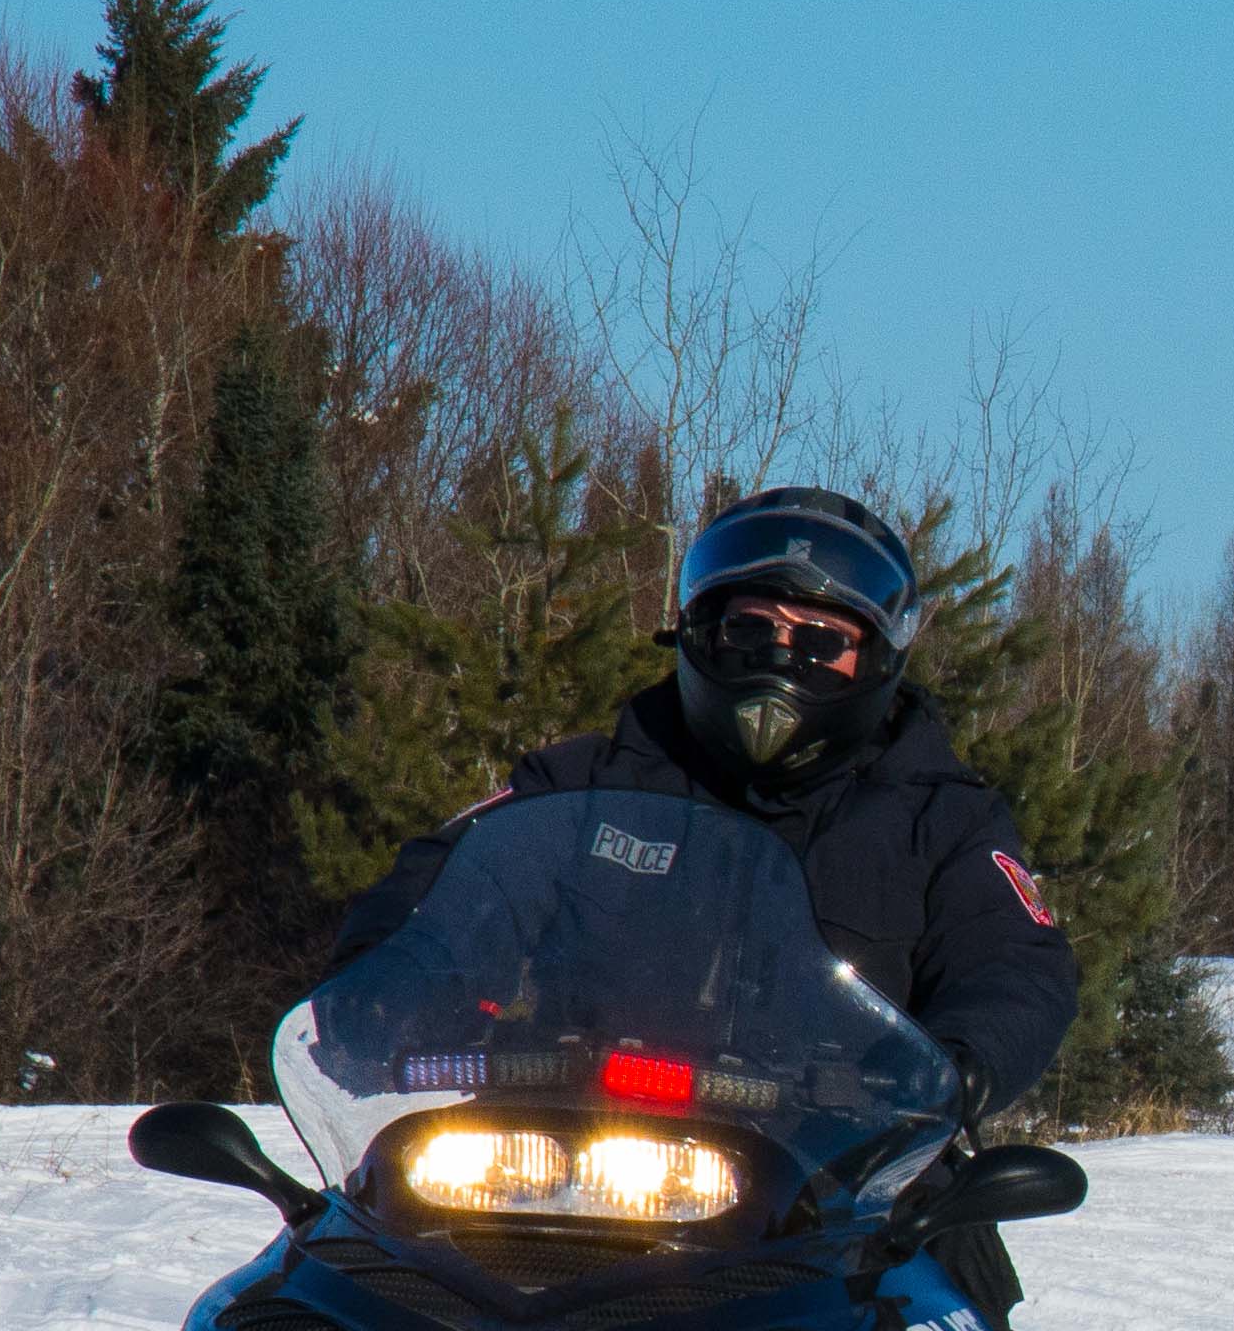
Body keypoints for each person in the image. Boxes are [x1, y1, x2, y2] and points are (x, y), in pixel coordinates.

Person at [335, 480, 1081, 1137]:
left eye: (820, 640)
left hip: (844, 1192)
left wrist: (956, 1068)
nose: (779, 657)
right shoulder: (587, 783)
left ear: (877, 659)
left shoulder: (941, 820)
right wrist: (388, 987)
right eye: (750, 629)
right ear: (700, 632)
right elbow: (451, 883)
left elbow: (1016, 965)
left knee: (935, 1285)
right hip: (577, 1163)